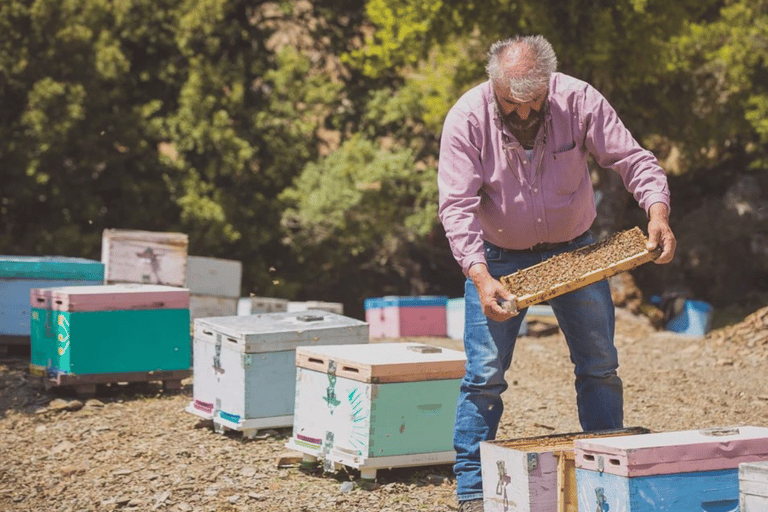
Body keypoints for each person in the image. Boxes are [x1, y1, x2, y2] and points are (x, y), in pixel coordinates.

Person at [437, 35, 676, 511]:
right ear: (494, 86)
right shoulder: (466, 117)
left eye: (534, 102)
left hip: (577, 250)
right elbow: (456, 207)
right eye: (511, 103)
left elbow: (631, 159)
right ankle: (470, 488)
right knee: (484, 375)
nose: (523, 114)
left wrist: (658, 212)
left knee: (599, 366)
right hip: (497, 257)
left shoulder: (579, 99)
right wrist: (481, 277)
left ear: (549, 83)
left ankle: (605, 471)